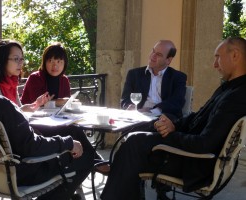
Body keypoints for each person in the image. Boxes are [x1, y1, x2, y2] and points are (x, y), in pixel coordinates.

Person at [101, 37, 246, 200]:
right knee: (137, 139)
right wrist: (172, 126)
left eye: (217, 57)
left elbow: (205, 144)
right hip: (190, 155)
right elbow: (196, 118)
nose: (214, 64)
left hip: (195, 165)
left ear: (235, 56)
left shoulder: (237, 96)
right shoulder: (230, 89)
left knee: (133, 147)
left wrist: (169, 134)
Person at [0, 43, 95, 200]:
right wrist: (68, 143)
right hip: (18, 176)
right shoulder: (1, 105)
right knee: (86, 155)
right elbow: (32, 147)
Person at [121, 40, 187, 118]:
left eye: (158, 55)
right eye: (153, 51)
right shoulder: (134, 74)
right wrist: (129, 106)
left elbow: (176, 102)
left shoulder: (178, 77)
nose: (153, 56)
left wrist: (152, 111)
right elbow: (125, 99)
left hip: (163, 119)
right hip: (137, 117)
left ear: (168, 60)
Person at [0, 39, 51, 112]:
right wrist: (22, 109)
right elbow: (3, 115)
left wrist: (36, 104)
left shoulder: (12, 82)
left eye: (21, 59)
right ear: (2, 59)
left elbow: (18, 109)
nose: (20, 63)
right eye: (16, 59)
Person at [21, 42, 71, 107]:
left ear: (65, 63)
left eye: (58, 61)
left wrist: (66, 101)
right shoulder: (35, 78)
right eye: (51, 61)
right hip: (29, 115)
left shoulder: (64, 80)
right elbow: (39, 104)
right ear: (44, 62)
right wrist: (63, 101)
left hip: (55, 116)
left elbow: (67, 104)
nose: (55, 66)